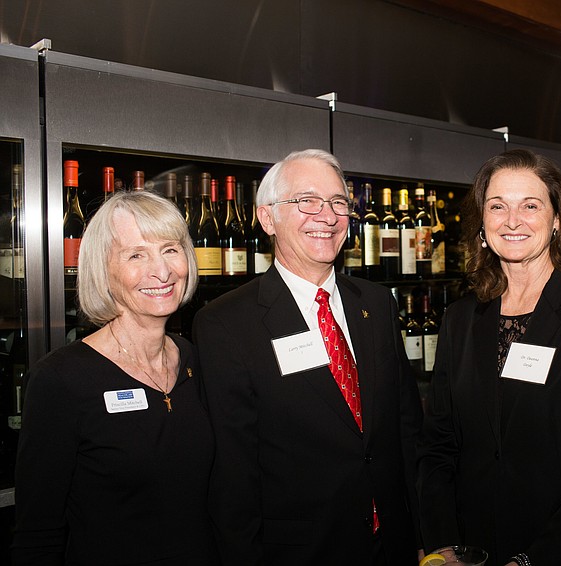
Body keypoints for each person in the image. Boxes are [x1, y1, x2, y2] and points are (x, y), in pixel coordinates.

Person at [193, 149, 422, 565]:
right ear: (267, 218)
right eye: (307, 201)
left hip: (393, 545)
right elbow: (233, 474)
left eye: (338, 202)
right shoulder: (226, 324)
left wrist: (423, 532)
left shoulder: (376, 303)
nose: (328, 216)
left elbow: (406, 428)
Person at [417, 149, 561, 566]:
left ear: (557, 220)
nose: (512, 220)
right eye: (497, 206)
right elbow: (439, 444)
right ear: (482, 223)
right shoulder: (460, 318)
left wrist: (535, 560)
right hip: (473, 551)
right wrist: (444, 545)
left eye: (530, 206)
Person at [13, 190, 216, 564]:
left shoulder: (193, 359)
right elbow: (37, 533)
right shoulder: (60, 380)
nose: (162, 271)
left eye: (170, 249)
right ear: (102, 269)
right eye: (136, 255)